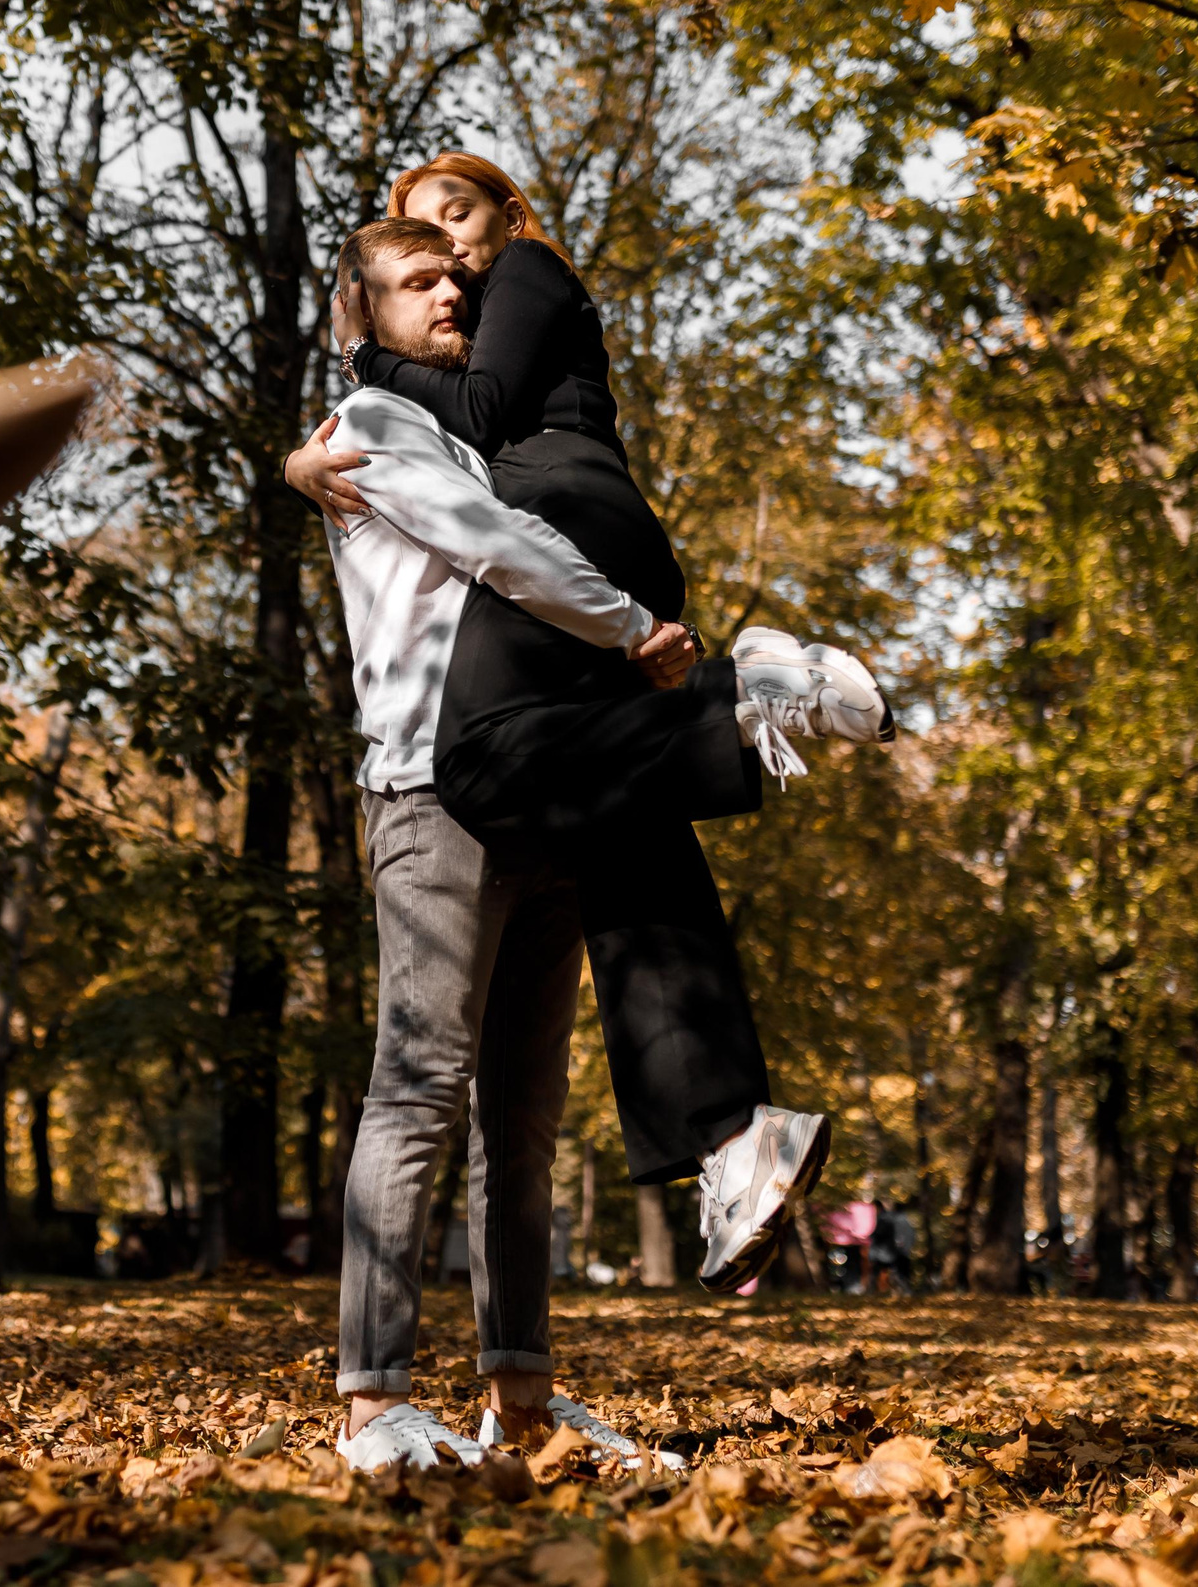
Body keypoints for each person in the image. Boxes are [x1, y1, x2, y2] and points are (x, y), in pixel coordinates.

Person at [306, 219, 879, 1474]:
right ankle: (372, 1409)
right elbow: (495, 546)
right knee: (417, 1090)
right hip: (427, 795)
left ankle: (518, 1402)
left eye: (458, 278)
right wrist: (639, 632)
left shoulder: (467, 423)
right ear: (358, 311)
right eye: (417, 284)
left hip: (536, 775)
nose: (451, 294)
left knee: (519, 1120)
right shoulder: (375, 428)